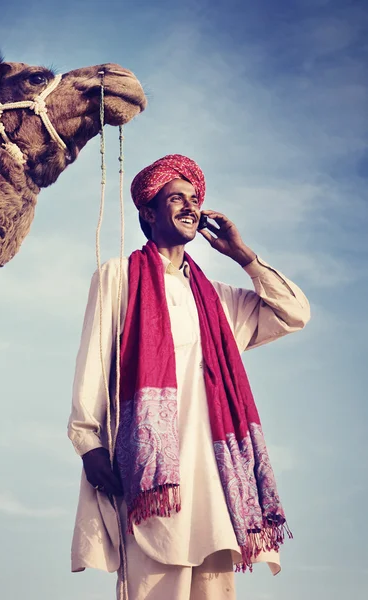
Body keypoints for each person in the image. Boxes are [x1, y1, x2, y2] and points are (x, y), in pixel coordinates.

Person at [68, 155, 310, 600]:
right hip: (149, 481)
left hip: (216, 485)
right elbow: (94, 364)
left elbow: (294, 313)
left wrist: (245, 257)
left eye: (194, 198)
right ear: (149, 212)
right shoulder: (118, 278)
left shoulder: (220, 302)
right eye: (175, 197)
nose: (189, 206)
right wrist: (89, 445)